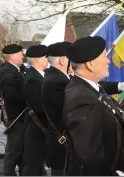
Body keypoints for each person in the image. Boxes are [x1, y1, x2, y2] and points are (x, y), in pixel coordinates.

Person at [63, 36, 124, 176]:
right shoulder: (81, 99)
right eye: (104, 56)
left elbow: (117, 111)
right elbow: (89, 155)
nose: (108, 60)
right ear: (90, 64)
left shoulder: (90, 88)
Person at [42, 42, 72, 176]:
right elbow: (69, 112)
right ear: (63, 60)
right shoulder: (57, 81)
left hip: (61, 144)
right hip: (61, 146)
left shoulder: (58, 77)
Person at [0, 44, 27, 176]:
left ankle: (22, 170)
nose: (22, 55)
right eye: (20, 53)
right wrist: (29, 97)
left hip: (21, 115)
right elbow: (12, 95)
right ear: (12, 56)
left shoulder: (17, 69)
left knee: (21, 146)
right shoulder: (7, 72)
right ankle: (8, 173)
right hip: (15, 115)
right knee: (14, 148)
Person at [22, 45, 49, 175]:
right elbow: (39, 107)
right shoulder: (32, 78)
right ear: (37, 59)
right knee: (33, 163)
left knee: (39, 163)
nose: (47, 59)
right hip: (36, 127)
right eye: (45, 57)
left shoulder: (42, 75)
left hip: (41, 126)